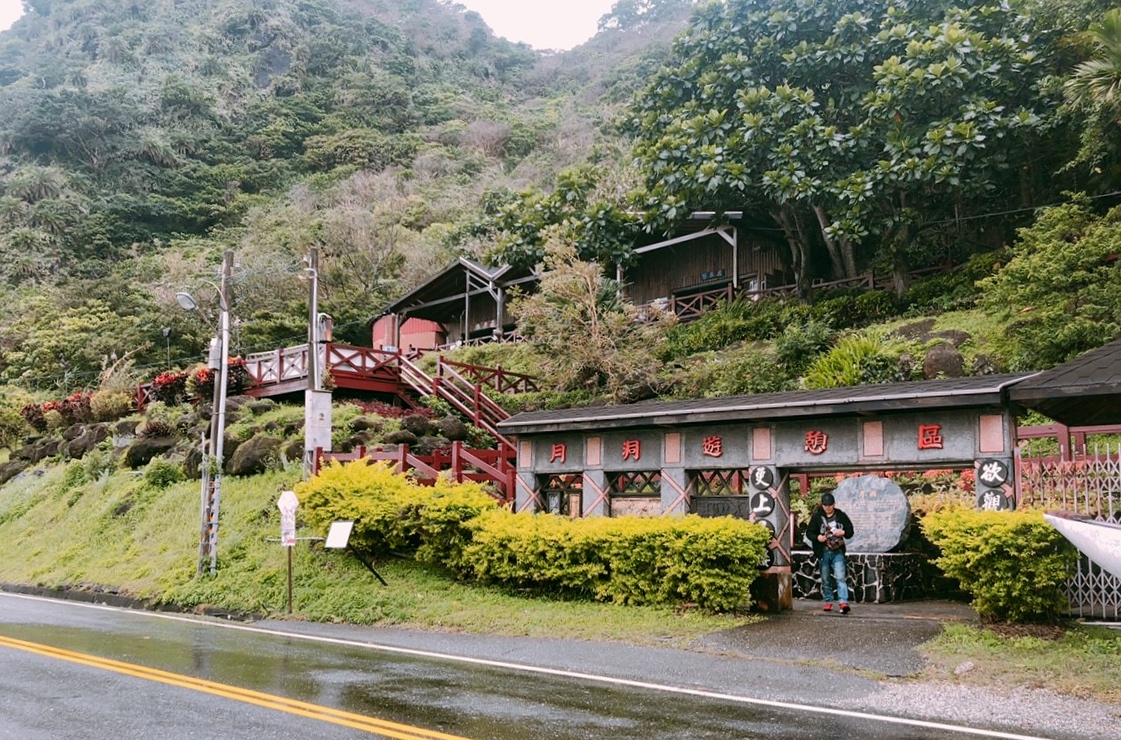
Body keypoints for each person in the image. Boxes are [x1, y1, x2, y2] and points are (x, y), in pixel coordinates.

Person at [808, 492, 855, 614]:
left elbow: (850, 531)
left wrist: (843, 532)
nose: (828, 507)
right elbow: (809, 532)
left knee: (840, 577)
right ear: (822, 505)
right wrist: (818, 537)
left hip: (838, 551)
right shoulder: (817, 517)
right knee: (825, 578)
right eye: (825, 504)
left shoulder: (841, 515)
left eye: (830, 504)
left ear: (834, 504)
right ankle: (828, 601)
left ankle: (843, 602)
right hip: (823, 552)